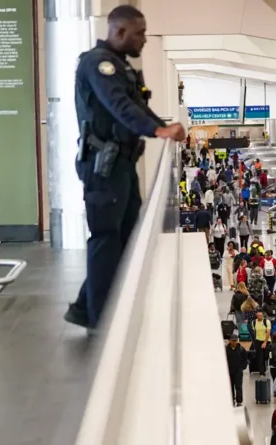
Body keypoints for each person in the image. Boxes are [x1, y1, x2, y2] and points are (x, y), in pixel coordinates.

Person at [64, 5, 186, 330]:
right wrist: (158, 130)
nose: (144, 39)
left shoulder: (120, 66)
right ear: (119, 31)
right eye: (139, 33)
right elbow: (119, 107)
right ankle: (100, 322)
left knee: (124, 236)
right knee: (106, 238)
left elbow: (137, 106)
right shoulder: (98, 64)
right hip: (103, 168)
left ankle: (84, 306)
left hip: (121, 166)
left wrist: (163, 126)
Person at [225, 334, 248, 407]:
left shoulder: (241, 349)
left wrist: (242, 367)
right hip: (229, 372)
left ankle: (239, 401)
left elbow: (245, 359)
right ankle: (231, 400)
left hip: (238, 371)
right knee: (230, 387)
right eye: (233, 340)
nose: (234, 342)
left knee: (238, 387)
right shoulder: (226, 349)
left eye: (235, 340)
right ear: (230, 341)